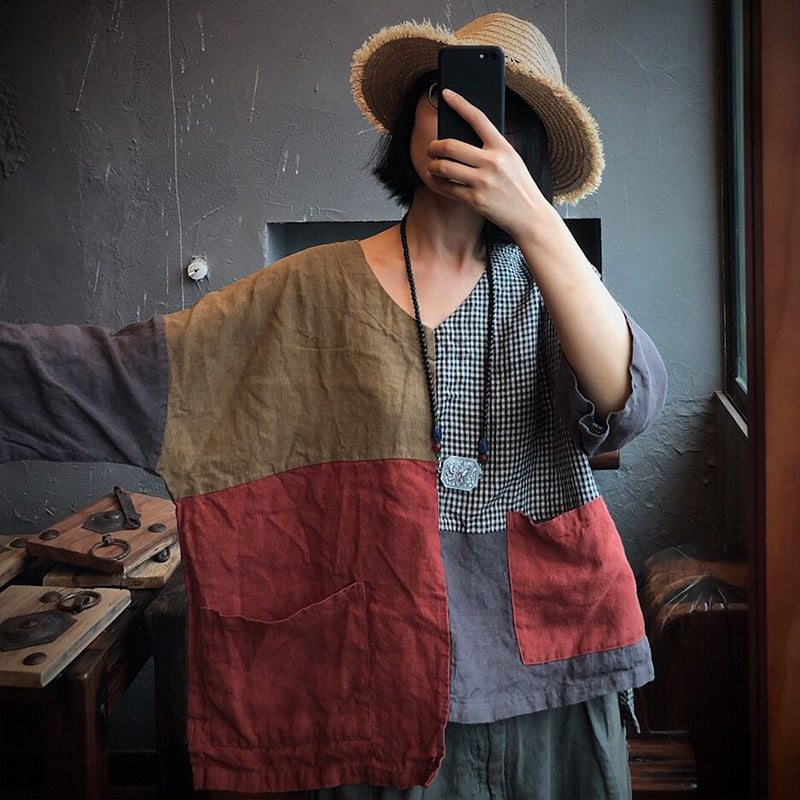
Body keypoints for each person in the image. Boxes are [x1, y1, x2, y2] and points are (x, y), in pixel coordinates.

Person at [0, 12, 667, 800]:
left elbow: (629, 404)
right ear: (408, 121)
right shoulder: (306, 288)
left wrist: (535, 220)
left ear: (535, 151)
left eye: (502, 109)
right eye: (444, 95)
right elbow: (119, 376)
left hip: (551, 681)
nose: (468, 121)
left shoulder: (556, 289)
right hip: (366, 676)